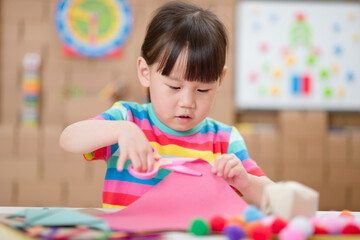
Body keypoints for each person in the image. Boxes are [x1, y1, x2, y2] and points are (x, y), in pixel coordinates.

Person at [59, 1, 273, 209]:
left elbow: (271, 196)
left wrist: (245, 182)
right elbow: (68, 138)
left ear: (220, 80)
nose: (187, 102)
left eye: (202, 90)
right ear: (145, 73)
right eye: (174, 87)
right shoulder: (127, 119)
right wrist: (121, 130)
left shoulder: (225, 141)